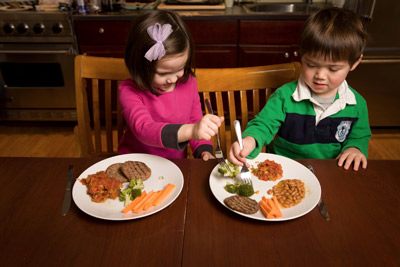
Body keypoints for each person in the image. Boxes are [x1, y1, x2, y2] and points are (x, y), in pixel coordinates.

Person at [229, 7, 371, 171]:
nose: (320, 75)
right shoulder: (284, 96)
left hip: (330, 172)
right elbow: (263, 125)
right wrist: (250, 140)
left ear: (354, 63)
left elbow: (359, 136)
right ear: (301, 55)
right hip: (282, 170)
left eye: (332, 69)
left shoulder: (357, 105)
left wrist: (355, 148)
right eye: (311, 65)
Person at [118, 10, 223, 160]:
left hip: (175, 163)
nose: (173, 79)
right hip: (134, 161)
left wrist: (203, 149)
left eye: (180, 69)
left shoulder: (189, 82)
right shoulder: (129, 91)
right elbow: (144, 129)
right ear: (140, 67)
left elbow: (194, 121)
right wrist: (192, 130)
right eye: (162, 74)